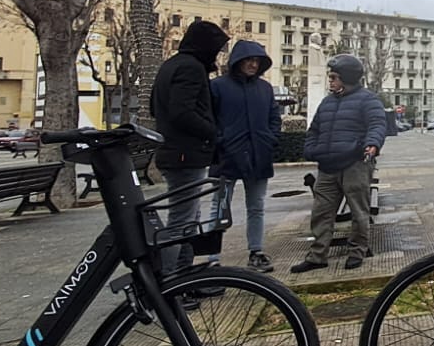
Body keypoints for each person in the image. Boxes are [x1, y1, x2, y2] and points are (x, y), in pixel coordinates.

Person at [150, 20, 231, 298]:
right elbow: (182, 112)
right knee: (182, 220)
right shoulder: (191, 68)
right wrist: (213, 132)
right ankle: (172, 285)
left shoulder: (170, 66)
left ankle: (184, 280)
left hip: (176, 152)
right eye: (216, 48)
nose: (218, 55)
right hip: (186, 154)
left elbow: (155, 107)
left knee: (188, 218)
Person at [291, 54, 386, 273]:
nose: (330, 81)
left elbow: (377, 124)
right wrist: (311, 150)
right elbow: (314, 130)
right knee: (321, 213)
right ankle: (317, 256)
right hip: (327, 166)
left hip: (355, 164)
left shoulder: (368, 100)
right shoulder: (327, 102)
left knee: (358, 212)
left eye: (334, 77)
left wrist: (372, 144)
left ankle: (357, 252)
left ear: (347, 77)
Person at [210, 39, 282, 273]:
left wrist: (269, 139)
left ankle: (256, 251)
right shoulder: (218, 87)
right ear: (238, 61)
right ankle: (212, 258)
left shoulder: (265, 88)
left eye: (257, 61)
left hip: (258, 154)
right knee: (219, 207)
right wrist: (221, 141)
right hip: (226, 156)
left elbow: (274, 118)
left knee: (257, 206)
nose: (253, 64)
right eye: (248, 60)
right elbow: (210, 119)